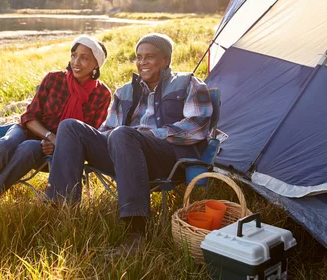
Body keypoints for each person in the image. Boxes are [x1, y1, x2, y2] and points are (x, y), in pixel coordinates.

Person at [46, 33, 212, 248]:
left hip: (166, 157)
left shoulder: (188, 83)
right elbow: (108, 128)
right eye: (139, 57)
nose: (142, 62)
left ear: (166, 60)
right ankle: (62, 211)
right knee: (70, 126)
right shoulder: (124, 92)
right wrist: (102, 139)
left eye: (149, 57)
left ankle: (137, 232)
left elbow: (198, 126)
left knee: (123, 133)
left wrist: (153, 134)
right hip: (123, 153)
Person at [0, 35, 112, 200]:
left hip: (52, 147)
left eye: (84, 58)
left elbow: (87, 134)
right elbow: (29, 116)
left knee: (27, 149)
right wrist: (51, 137)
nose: (76, 62)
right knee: (5, 144)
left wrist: (60, 145)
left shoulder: (101, 94)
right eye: (74, 55)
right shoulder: (54, 79)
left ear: (96, 64)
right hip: (29, 129)